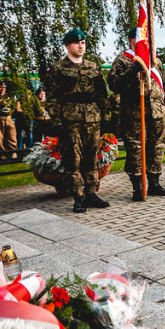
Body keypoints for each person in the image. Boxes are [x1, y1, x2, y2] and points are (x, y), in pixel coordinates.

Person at [46, 29, 111, 213]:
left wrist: (106, 116)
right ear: (67, 45)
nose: (81, 46)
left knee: (92, 157)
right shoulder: (58, 68)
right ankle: (78, 196)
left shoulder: (93, 66)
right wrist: (57, 120)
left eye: (83, 42)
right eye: (76, 43)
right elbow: (52, 98)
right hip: (70, 119)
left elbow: (102, 94)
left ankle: (91, 194)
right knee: (73, 160)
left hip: (92, 118)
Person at [107, 29, 165, 201]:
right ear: (131, 40)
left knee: (157, 147)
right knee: (136, 149)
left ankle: (154, 183)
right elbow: (114, 84)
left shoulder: (156, 61)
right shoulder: (122, 61)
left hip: (157, 112)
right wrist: (133, 70)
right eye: (140, 39)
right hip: (135, 113)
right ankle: (138, 186)